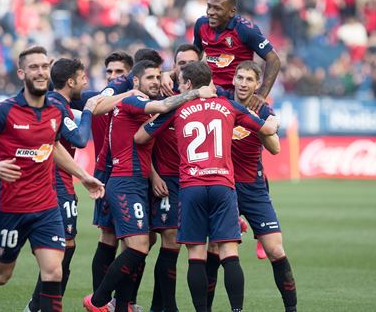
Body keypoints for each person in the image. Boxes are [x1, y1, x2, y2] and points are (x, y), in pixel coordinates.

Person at [0, 46, 105, 312]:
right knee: (1, 275)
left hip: (46, 206)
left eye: (43, 66)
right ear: (21, 73)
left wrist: (83, 176)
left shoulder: (55, 110)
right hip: (10, 206)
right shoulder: (3, 111)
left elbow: (53, 146)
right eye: (33, 67)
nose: (40, 72)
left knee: (53, 272)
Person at [133, 62, 279, 312]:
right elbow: (267, 129)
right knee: (229, 253)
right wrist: (273, 118)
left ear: (188, 85)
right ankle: (237, 310)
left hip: (191, 187)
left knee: (196, 255)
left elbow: (140, 137)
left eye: (181, 84)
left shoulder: (177, 108)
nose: (179, 87)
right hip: (223, 185)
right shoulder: (228, 105)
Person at [83, 60, 217, 312]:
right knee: (138, 247)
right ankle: (98, 300)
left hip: (137, 183)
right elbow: (163, 104)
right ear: (135, 82)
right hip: (124, 183)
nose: (155, 81)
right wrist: (197, 92)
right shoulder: (133, 100)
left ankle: (122, 306)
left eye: (158, 76)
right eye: (150, 78)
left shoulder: (142, 107)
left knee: (133, 248)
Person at [208, 61, 297, 312]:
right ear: (233, 80)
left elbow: (276, 148)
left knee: (276, 250)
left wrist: (261, 124)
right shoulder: (222, 100)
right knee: (214, 250)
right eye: (240, 78)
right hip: (224, 188)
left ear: (258, 85)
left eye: (249, 80)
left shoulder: (262, 109)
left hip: (254, 188)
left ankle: (292, 309)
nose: (244, 83)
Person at [24, 58, 102, 312]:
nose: (86, 81)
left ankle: (41, 306)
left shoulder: (56, 102)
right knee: (61, 252)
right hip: (55, 184)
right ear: (70, 82)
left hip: (57, 183)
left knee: (64, 250)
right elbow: (79, 138)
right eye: (82, 78)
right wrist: (88, 111)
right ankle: (39, 306)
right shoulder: (58, 105)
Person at [148, 44, 202, 312]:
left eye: (191, 63)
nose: (185, 67)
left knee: (199, 248)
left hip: (197, 182)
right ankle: (168, 307)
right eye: (181, 63)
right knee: (169, 241)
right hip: (168, 180)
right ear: (174, 66)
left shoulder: (209, 97)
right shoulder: (164, 97)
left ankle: (159, 307)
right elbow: (139, 139)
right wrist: (154, 174)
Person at [194, 0, 281, 111]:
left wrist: (261, 95)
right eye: (209, 7)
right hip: (211, 93)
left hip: (238, 96)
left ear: (232, 12)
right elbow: (194, 56)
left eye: (217, 8)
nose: (210, 12)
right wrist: (173, 74)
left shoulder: (245, 29)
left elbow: (274, 59)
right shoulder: (201, 24)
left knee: (269, 125)